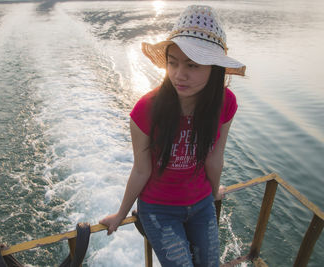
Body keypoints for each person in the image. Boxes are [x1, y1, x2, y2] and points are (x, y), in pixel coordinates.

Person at [100, 5, 245, 267]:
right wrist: (121, 214)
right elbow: (141, 170)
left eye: (192, 64)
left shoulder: (225, 103)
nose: (179, 74)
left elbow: (215, 158)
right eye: (172, 62)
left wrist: (213, 193)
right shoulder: (146, 110)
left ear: (215, 68)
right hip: (159, 210)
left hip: (201, 204)